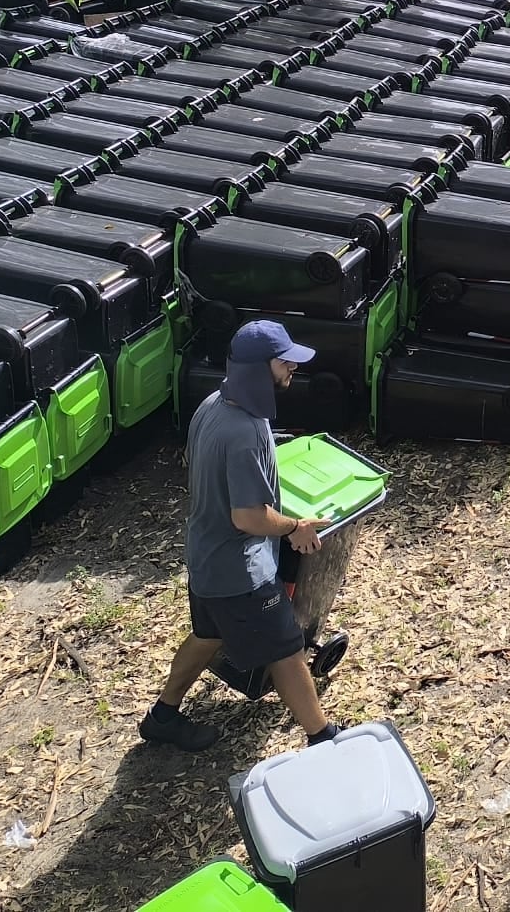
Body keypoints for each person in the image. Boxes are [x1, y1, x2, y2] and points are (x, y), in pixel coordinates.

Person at [142, 322, 340, 753]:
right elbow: (249, 517)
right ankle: (323, 738)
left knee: (209, 634)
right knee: (286, 648)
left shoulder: (213, 405)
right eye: (284, 361)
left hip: (205, 558)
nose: (292, 368)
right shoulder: (245, 431)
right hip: (240, 573)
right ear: (257, 370)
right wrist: (294, 526)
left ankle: (162, 716)